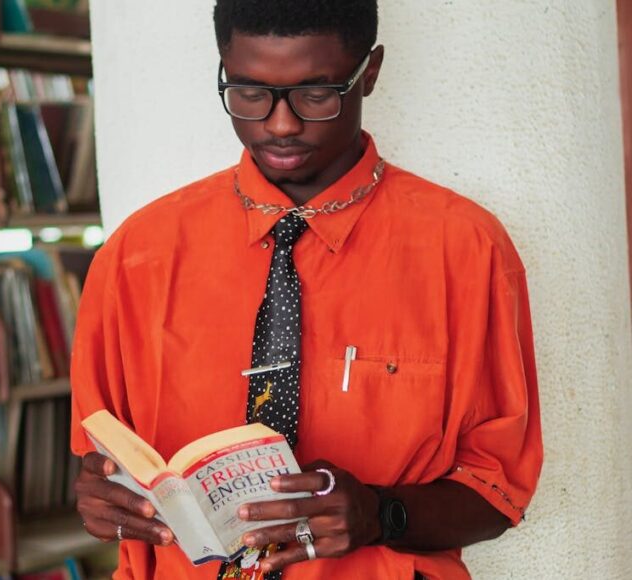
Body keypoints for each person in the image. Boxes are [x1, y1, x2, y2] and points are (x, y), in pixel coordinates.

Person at [70, 1, 543, 579]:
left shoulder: (467, 251)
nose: (280, 123)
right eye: (248, 90)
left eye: (316, 94)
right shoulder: (134, 257)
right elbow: (102, 463)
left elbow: (498, 492)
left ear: (369, 72)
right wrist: (99, 499)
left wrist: (380, 513)